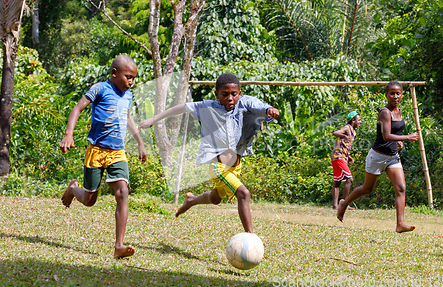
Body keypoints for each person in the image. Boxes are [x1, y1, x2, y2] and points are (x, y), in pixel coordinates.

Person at [138, 73, 279, 233]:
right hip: (217, 166)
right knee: (243, 193)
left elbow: (258, 106)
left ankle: (191, 200)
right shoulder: (208, 108)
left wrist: (269, 110)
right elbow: (182, 107)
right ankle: (251, 237)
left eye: (234, 94)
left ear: (239, 93)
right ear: (217, 94)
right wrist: (154, 119)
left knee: (215, 198)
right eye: (224, 95)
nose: (230, 98)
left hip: (235, 166)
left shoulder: (244, 104)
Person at [60, 54, 147, 258]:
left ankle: (119, 246)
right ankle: (74, 189)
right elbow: (77, 108)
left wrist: (140, 143)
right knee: (90, 200)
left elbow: (127, 118)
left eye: (134, 78)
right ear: (114, 73)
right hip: (96, 151)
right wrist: (68, 134)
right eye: (128, 77)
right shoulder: (100, 88)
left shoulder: (128, 95)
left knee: (122, 191)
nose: (131, 82)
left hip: (117, 152)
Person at [337, 81, 419, 233]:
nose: (395, 96)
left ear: (402, 95)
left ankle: (400, 224)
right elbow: (386, 136)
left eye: (398, 93)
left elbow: (394, 133)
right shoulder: (384, 112)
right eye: (392, 93)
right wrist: (407, 137)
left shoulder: (399, 111)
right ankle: (344, 203)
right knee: (367, 189)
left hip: (393, 157)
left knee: (401, 188)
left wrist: (399, 140)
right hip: (377, 156)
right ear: (386, 95)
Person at [331, 111, 362, 209]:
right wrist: (344, 135)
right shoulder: (347, 128)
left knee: (337, 182)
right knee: (349, 179)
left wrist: (348, 157)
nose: (360, 122)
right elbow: (335, 133)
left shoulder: (353, 131)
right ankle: (344, 204)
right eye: (359, 120)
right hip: (339, 157)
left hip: (340, 157)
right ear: (353, 120)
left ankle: (335, 205)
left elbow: (344, 145)